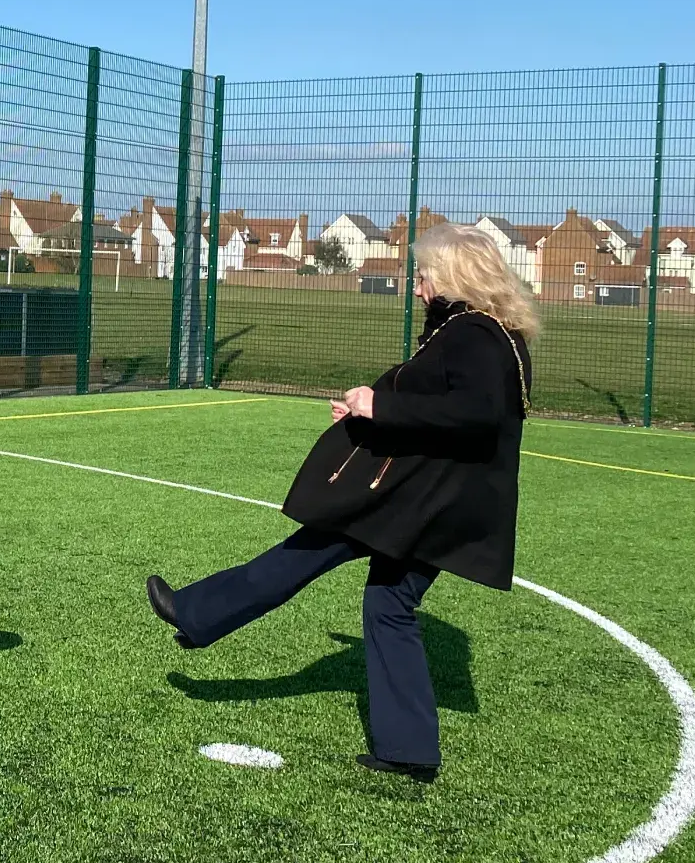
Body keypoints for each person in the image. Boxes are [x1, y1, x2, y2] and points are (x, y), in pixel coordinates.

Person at [145, 224, 535, 781]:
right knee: (387, 604)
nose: (417, 288)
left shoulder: (474, 333)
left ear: (454, 277)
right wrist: (367, 406)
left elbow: (474, 416)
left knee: (307, 549)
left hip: (418, 505)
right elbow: (442, 402)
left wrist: (380, 407)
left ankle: (195, 611)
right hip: (440, 506)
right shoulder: (487, 332)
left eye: (422, 276)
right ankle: (409, 749)